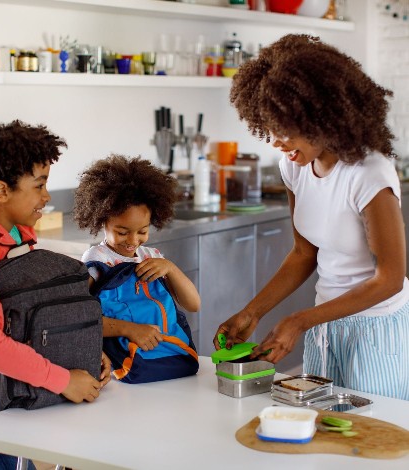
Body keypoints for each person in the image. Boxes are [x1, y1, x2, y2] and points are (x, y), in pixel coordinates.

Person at [214, 34, 409, 400]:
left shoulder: (368, 173)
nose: (276, 142)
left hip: (376, 327)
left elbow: (390, 279)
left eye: (285, 130)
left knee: (370, 440)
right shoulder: (295, 168)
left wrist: (298, 320)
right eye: (269, 128)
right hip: (325, 324)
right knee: (321, 432)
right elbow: (305, 254)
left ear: (322, 118)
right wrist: (252, 313)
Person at [0, 120, 111, 470]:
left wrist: (87, 357)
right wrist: (65, 381)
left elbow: (33, 319)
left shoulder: (19, 233)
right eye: (39, 185)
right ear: (2, 191)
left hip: (3, 381)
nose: (47, 196)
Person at [73, 154, 201, 380]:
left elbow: (193, 304)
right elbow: (79, 319)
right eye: (122, 232)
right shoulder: (96, 260)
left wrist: (170, 268)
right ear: (102, 220)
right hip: (120, 367)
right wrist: (129, 329)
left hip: (167, 356)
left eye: (142, 231)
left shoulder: (151, 257)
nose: (132, 241)